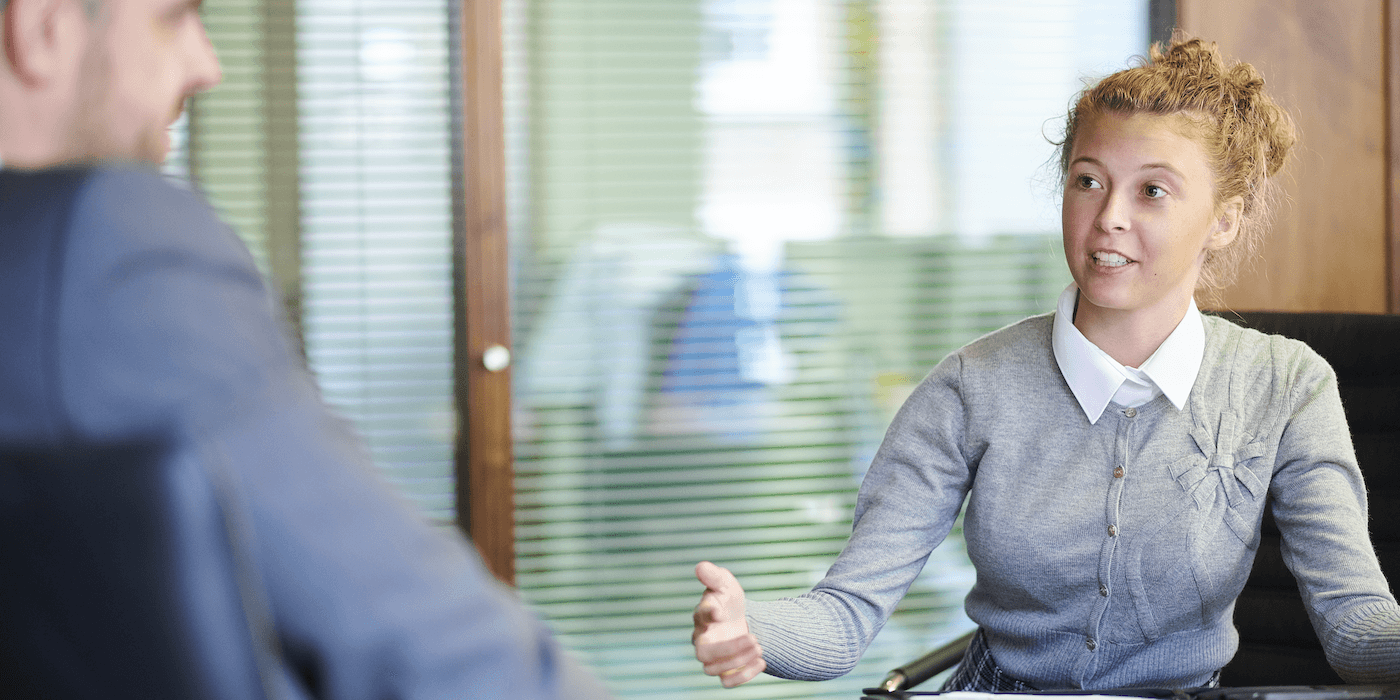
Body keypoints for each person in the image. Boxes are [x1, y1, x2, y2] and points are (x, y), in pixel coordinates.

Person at [692, 35, 1400, 690]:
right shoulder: (972, 387)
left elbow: (1355, 625)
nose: (1109, 216)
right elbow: (844, 617)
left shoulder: (1289, 387)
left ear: (1224, 219)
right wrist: (749, 624)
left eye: (1152, 191)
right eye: (1088, 181)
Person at [0, 0, 614, 698]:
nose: (208, 64)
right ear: (42, 28)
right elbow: (445, 653)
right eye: (175, 18)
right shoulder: (101, 244)